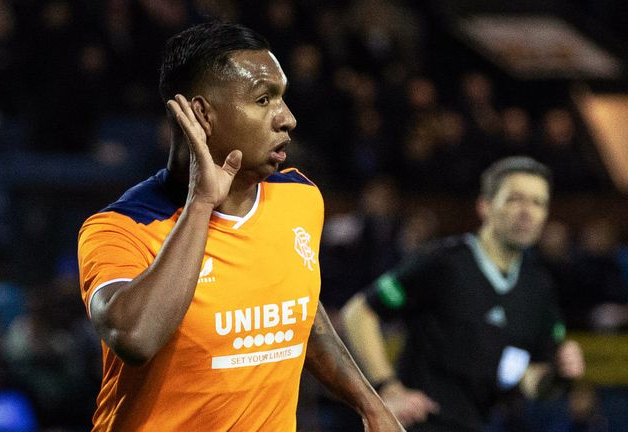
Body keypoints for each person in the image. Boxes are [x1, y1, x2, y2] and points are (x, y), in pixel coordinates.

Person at [77, 21, 403, 432]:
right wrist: (201, 204)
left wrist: (369, 404)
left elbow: (302, 309)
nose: (288, 119)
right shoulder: (121, 227)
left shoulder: (299, 197)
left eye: (282, 99)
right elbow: (135, 339)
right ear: (201, 114)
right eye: (264, 99)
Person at [341, 156, 585, 431]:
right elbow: (359, 313)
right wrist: (387, 387)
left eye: (538, 202)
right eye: (515, 199)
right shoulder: (445, 262)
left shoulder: (538, 286)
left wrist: (559, 374)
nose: (527, 211)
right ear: (485, 206)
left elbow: (530, 380)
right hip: (416, 425)